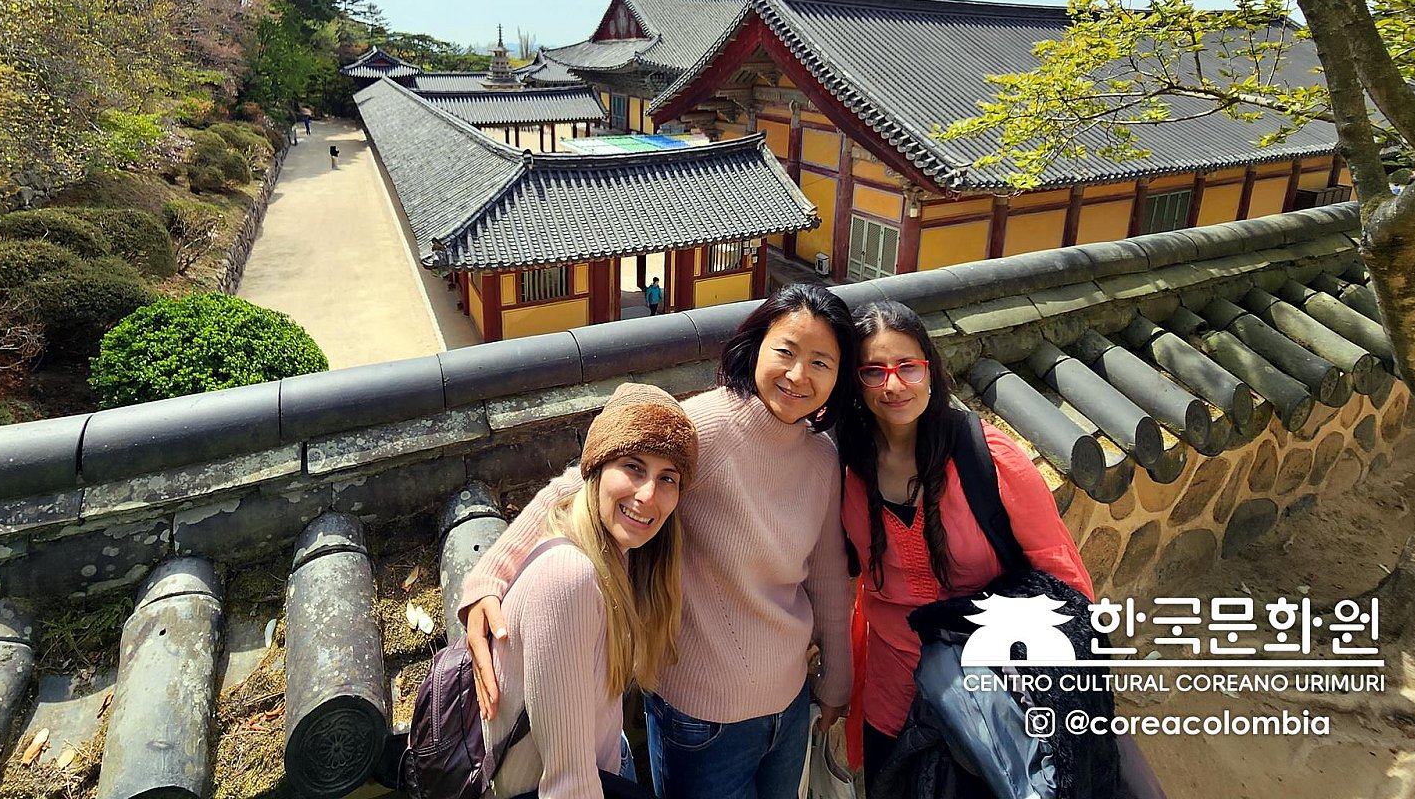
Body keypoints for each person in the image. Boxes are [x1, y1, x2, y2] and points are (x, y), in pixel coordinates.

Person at [463, 284, 859, 799]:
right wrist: (489, 575)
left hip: (789, 701)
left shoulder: (822, 458)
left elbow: (828, 575)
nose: (798, 375)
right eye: (786, 351)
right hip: (700, 715)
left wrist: (836, 680)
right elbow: (583, 484)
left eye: (820, 362)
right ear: (756, 346)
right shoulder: (706, 426)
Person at [836, 300, 1094, 793]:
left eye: (907, 367)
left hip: (991, 700)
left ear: (929, 370)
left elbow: (1064, 581)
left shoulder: (986, 458)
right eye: (873, 371)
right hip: (892, 693)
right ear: (857, 383)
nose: (893, 385)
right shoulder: (848, 468)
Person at [487, 383, 696, 799]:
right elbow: (568, 785)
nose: (647, 495)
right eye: (633, 467)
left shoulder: (617, 555)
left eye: (667, 478)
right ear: (597, 468)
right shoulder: (569, 577)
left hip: (608, 758)